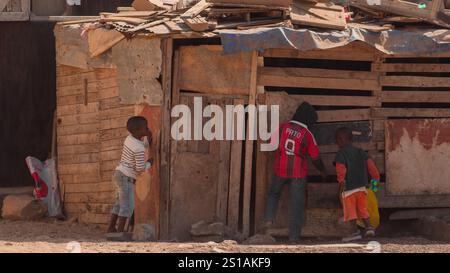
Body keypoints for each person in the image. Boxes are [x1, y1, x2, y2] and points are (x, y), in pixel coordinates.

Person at [263, 102, 327, 243]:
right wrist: (322, 170)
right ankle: (294, 237)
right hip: (298, 174)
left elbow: (270, 144)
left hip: (280, 169)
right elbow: (315, 158)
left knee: (273, 194)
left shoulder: (283, 127)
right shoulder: (307, 135)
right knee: (297, 204)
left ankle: (268, 219)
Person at [107, 116, 153, 233]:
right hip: (126, 178)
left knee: (118, 204)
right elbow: (139, 169)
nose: (148, 128)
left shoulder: (129, 139)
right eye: (145, 127)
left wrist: (147, 140)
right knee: (127, 206)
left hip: (118, 174)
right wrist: (149, 163)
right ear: (138, 131)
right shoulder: (139, 148)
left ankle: (111, 228)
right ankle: (120, 232)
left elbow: (141, 145)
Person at [334, 127, 380, 242]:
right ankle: (369, 228)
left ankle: (355, 232)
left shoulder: (341, 153)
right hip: (362, 189)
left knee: (351, 212)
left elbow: (341, 170)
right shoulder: (361, 153)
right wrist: (373, 188)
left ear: (341, 140)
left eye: (337, 140)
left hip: (349, 189)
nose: (336, 142)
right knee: (363, 209)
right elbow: (374, 172)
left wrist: (341, 183)